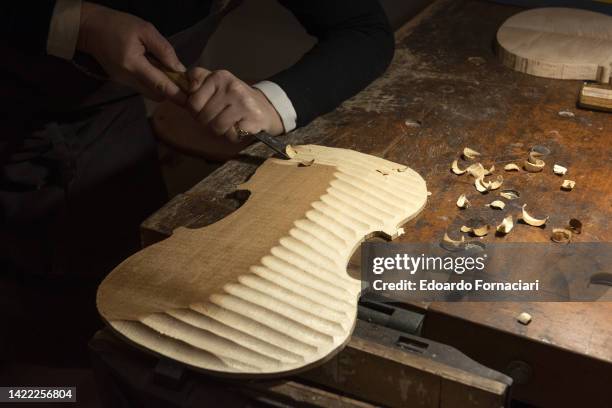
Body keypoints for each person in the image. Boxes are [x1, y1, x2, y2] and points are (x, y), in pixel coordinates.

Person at [0, 0, 394, 361]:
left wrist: (270, 103)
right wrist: (78, 22)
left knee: (133, 303)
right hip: (14, 114)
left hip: (110, 117)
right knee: (37, 345)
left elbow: (364, 29)